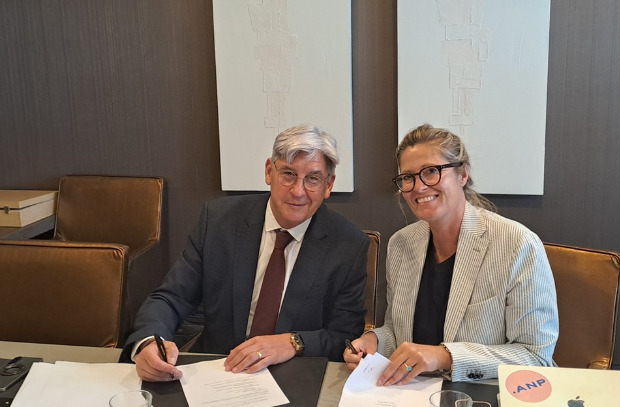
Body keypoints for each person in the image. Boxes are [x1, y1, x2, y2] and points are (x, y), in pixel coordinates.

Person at [124, 124, 370, 382]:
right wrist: (149, 341)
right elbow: (172, 297)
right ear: (269, 171)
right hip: (219, 369)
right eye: (288, 174)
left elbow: (344, 335)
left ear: (328, 185)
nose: (298, 191)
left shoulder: (348, 244)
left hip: (295, 375)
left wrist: (294, 342)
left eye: (313, 179)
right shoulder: (219, 221)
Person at [344, 124, 558, 384]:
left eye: (431, 171)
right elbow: (397, 332)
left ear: (463, 174)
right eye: (408, 177)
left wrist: (445, 356)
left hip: (483, 393)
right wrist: (374, 340)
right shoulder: (401, 244)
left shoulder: (517, 244)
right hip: (412, 392)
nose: (418, 187)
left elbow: (535, 356)